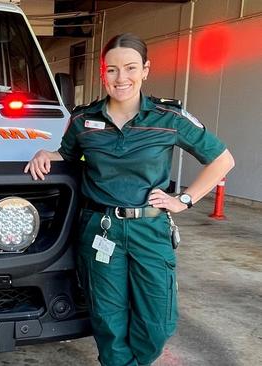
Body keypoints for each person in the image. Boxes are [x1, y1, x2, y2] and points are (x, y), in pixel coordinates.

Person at [24, 33, 234, 366]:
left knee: (157, 324)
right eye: (112, 70)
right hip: (100, 229)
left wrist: (185, 200)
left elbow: (222, 159)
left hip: (150, 230)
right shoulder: (82, 121)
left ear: (146, 70)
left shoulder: (168, 119)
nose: (121, 79)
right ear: (102, 72)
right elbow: (66, 156)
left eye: (131, 68)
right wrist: (44, 153)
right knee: (108, 320)